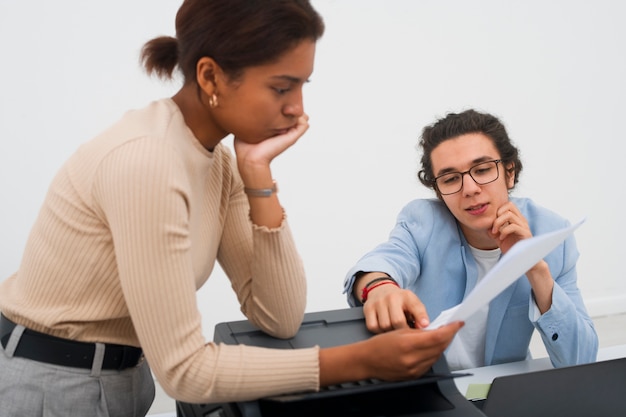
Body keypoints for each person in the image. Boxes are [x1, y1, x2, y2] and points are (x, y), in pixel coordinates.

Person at [0, 1, 463, 416]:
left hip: (121, 377)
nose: (298, 109)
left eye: (302, 85)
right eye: (282, 88)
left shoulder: (218, 161)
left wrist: (258, 175)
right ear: (210, 77)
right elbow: (185, 371)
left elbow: (279, 316)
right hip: (50, 387)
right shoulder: (149, 160)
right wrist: (356, 363)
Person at [343, 109, 598, 371]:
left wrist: (534, 267)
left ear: (509, 172)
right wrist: (379, 288)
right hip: (430, 384)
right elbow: (384, 260)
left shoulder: (553, 234)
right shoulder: (424, 221)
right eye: (451, 178)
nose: (470, 189)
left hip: (505, 390)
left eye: (483, 169)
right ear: (439, 191)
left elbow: (581, 360)